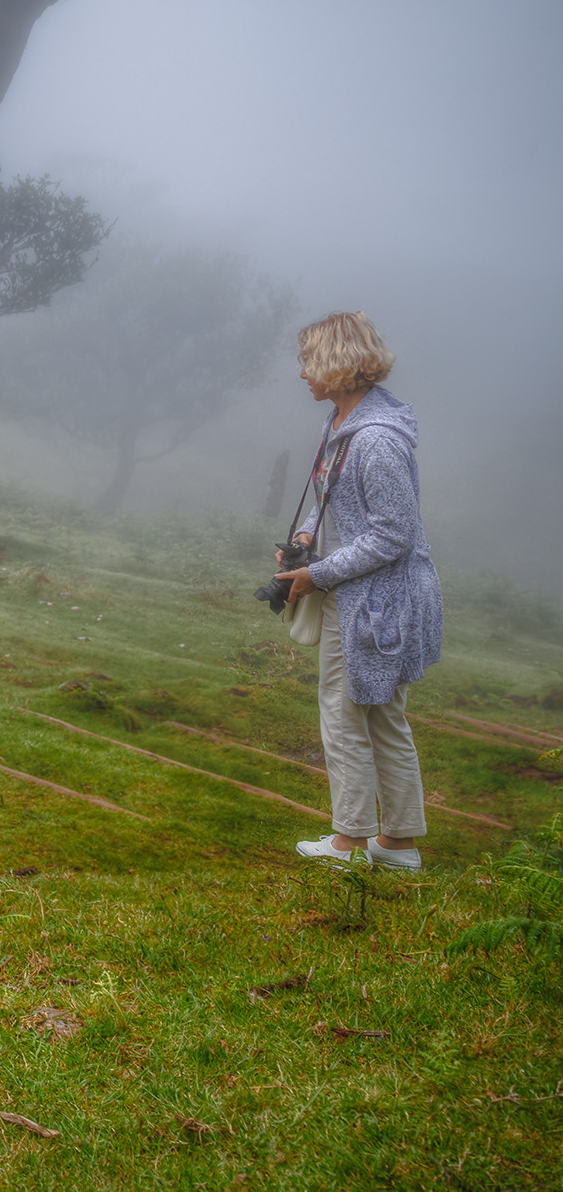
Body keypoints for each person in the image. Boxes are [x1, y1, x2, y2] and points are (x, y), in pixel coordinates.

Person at [274, 312, 443, 870]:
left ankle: (348, 843)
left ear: (337, 365)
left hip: (375, 604)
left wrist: (315, 575)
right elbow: (333, 505)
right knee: (380, 717)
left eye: (308, 361)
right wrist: (304, 539)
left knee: (345, 714)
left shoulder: (375, 440)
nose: (302, 374)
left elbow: (393, 534)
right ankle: (398, 845)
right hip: (370, 595)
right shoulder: (343, 423)